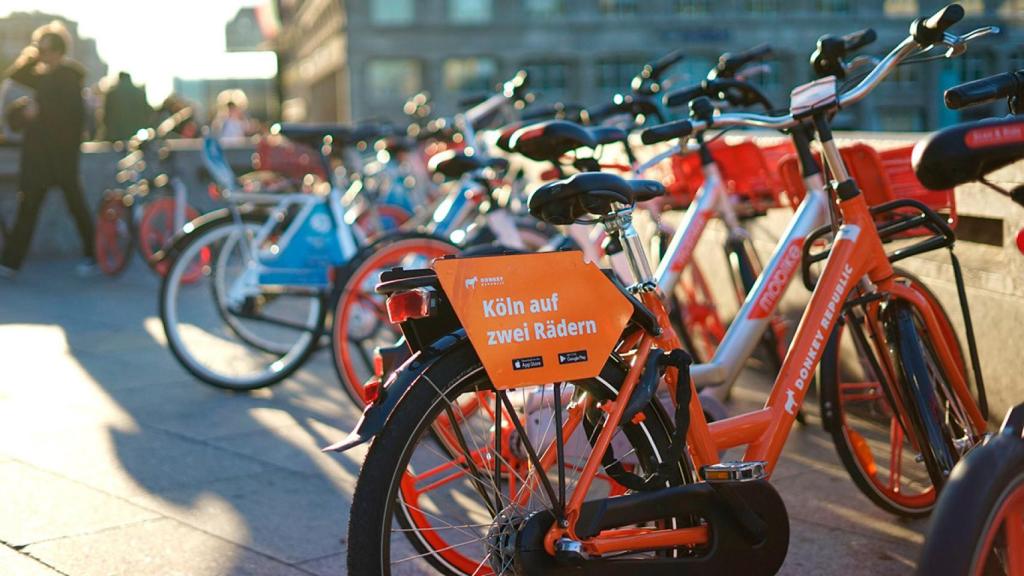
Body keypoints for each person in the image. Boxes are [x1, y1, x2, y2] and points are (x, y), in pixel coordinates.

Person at [0, 22, 95, 278]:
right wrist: (30, 54)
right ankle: (10, 262)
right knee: (27, 209)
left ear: (57, 50)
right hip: (39, 158)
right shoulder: (41, 75)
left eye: (45, 49)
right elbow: (15, 76)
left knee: (77, 208)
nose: (41, 53)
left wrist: (39, 112)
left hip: (61, 158)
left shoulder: (68, 77)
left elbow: (73, 119)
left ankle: (93, 255)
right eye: (39, 48)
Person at [102, 72, 151, 142]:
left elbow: (107, 116)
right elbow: (147, 114)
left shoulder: (112, 94)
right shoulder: (140, 93)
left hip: (116, 136)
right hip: (136, 135)